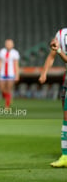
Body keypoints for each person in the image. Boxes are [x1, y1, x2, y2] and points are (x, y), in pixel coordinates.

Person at [39, 28, 67, 168]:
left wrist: (59, 51)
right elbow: (51, 56)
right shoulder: (61, 34)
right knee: (66, 117)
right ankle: (65, 156)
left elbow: (58, 52)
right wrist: (44, 73)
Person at [0, 39, 20, 108]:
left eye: (10, 44)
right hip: (2, 74)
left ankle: (7, 105)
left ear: (12, 45)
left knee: (9, 89)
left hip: (11, 74)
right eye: (7, 43)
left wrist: (17, 75)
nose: (8, 45)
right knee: (2, 89)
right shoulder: (2, 52)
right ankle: (8, 98)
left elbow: (16, 65)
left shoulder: (15, 53)